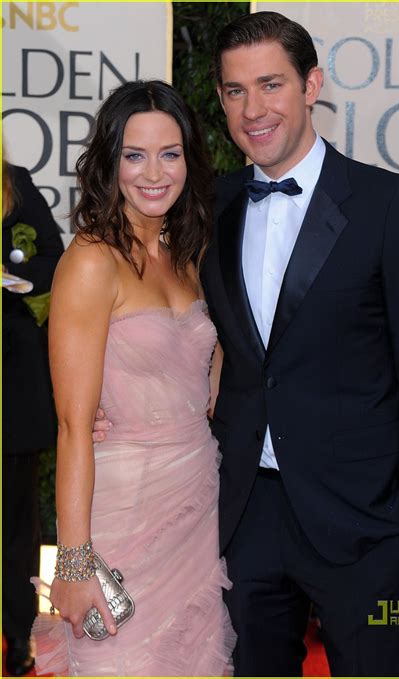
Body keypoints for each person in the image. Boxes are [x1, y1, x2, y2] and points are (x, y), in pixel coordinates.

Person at [93, 11, 399, 677]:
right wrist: (110, 394)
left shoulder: (389, 205)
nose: (252, 109)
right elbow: (168, 318)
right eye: (235, 91)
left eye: (271, 84)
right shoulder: (208, 204)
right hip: (241, 518)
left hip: (370, 532)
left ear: (311, 84)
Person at [31, 80, 235, 677]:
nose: (154, 173)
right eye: (135, 154)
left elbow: (203, 354)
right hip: (123, 510)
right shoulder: (92, 261)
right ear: (110, 161)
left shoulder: (188, 253)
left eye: (170, 154)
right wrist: (72, 564)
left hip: (197, 502)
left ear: (189, 161)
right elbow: (73, 426)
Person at [2, 158, 64, 676]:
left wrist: (11, 278)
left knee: (17, 524)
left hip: (13, 388)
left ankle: (19, 636)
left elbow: (53, 259)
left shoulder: (14, 181)